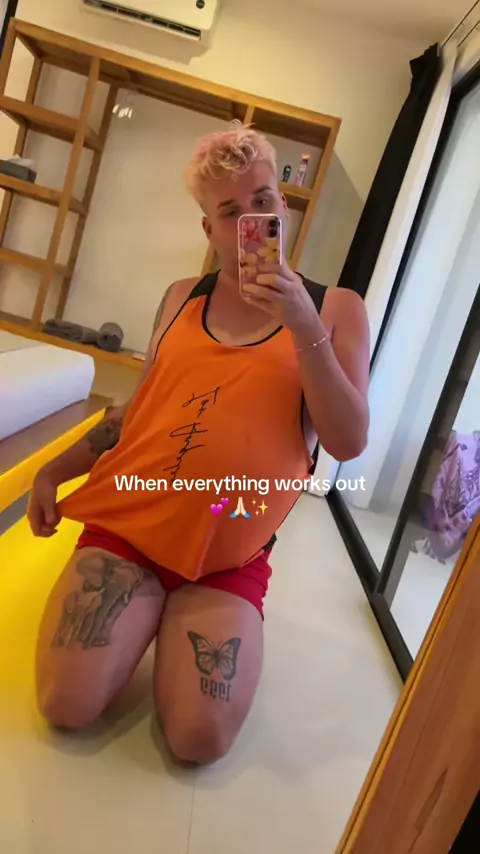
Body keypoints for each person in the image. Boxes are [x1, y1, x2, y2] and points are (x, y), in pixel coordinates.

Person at [29, 121, 370, 764]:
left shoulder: (336, 309)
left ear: (284, 206)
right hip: (130, 530)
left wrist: (304, 327)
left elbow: (347, 441)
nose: (249, 223)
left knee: (199, 740)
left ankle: (172, 610)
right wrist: (55, 469)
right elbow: (137, 411)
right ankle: (144, 608)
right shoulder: (182, 298)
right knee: (64, 705)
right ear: (210, 230)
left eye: (261, 202)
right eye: (230, 212)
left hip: (227, 558)